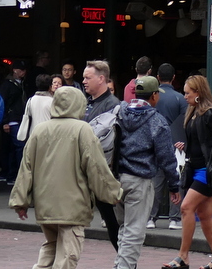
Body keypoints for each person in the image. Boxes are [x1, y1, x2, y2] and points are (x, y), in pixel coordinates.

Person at [10, 85, 125, 269]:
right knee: (68, 253)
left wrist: (20, 200)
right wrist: (113, 193)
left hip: (45, 202)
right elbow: (97, 168)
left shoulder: (40, 130)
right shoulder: (82, 130)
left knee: (50, 246)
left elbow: (26, 168)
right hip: (73, 204)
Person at [115, 76, 180, 269]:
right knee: (134, 231)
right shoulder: (157, 120)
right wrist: (174, 184)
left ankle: (119, 264)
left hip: (116, 178)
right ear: (153, 96)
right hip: (140, 179)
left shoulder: (120, 112)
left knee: (124, 228)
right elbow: (166, 157)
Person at [164, 75, 212, 269]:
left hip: (207, 170)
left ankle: (183, 257)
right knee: (205, 214)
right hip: (195, 167)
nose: (184, 96)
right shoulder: (192, 112)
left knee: (186, 208)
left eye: (187, 93)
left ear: (198, 93)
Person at [83, 60, 122, 248]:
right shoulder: (88, 103)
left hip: (102, 172)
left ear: (101, 79)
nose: (83, 81)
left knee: (112, 222)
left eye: (87, 77)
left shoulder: (112, 105)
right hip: (88, 170)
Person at [151, 63, 187, 231]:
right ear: (174, 78)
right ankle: (175, 218)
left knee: (156, 182)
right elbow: (185, 121)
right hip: (175, 145)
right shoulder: (180, 98)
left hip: (155, 144)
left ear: (158, 77)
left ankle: (151, 218)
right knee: (177, 180)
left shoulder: (153, 97)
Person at [1, 59, 29, 182]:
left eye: (24, 70)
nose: (23, 72)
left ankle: (12, 175)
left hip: (21, 118)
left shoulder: (23, 84)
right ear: (15, 70)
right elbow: (3, 104)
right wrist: (5, 121)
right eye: (21, 70)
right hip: (12, 119)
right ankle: (18, 174)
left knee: (14, 148)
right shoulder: (7, 85)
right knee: (19, 146)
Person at [19, 72, 55, 142]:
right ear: (50, 86)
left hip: (33, 135)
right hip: (49, 136)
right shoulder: (53, 101)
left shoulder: (31, 100)